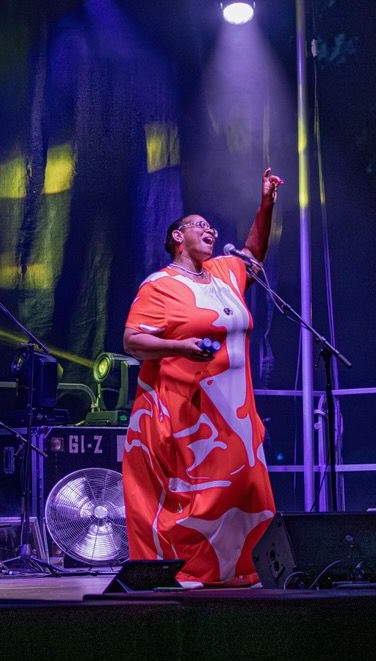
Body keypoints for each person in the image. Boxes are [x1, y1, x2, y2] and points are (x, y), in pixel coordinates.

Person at [121, 168, 283, 588]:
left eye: (212, 227)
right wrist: (179, 347)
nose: (210, 230)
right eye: (199, 226)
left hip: (237, 410)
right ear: (178, 236)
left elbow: (254, 250)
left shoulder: (227, 272)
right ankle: (189, 573)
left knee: (248, 491)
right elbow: (132, 340)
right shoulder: (159, 286)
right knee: (201, 499)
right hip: (189, 413)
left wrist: (265, 203)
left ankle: (241, 572)